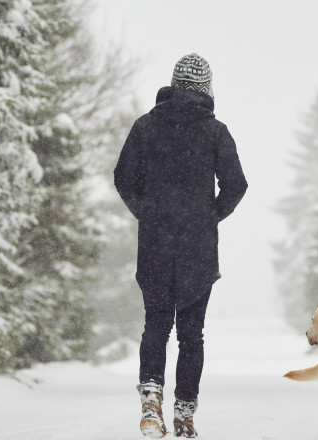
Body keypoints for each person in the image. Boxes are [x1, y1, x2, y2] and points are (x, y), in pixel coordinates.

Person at [114, 53, 248, 438]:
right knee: (192, 333)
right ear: (206, 90)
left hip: (155, 243)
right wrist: (208, 217)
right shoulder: (216, 131)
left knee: (155, 322)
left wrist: (148, 212)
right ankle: (184, 415)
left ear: (173, 84)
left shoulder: (146, 126)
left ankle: (151, 402)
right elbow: (237, 184)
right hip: (198, 248)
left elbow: (123, 177)